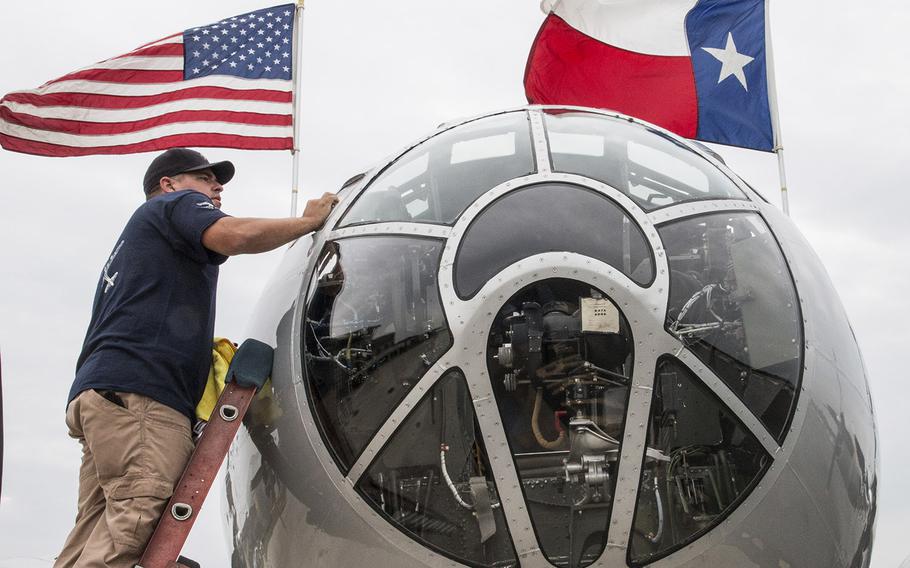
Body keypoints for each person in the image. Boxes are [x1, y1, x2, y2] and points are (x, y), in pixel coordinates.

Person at [54, 148, 338, 568]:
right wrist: (308, 223)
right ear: (167, 185)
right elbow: (234, 236)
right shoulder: (176, 205)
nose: (216, 186)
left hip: (102, 398)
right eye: (203, 178)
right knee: (133, 525)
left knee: (92, 534)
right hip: (143, 398)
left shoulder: (133, 245)